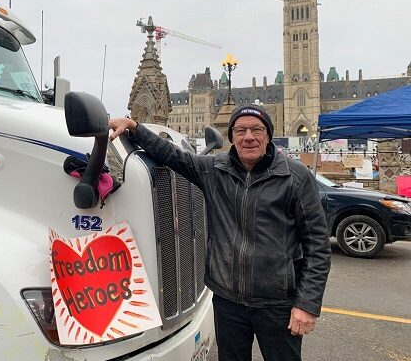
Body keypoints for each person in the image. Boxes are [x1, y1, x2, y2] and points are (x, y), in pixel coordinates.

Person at [109, 104, 330, 361]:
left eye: (257, 129)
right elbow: (172, 156)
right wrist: (135, 128)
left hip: (277, 303)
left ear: (268, 135)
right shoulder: (215, 170)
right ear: (232, 137)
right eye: (241, 130)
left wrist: (306, 304)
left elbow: (317, 245)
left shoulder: (295, 176)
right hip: (229, 302)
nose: (249, 136)